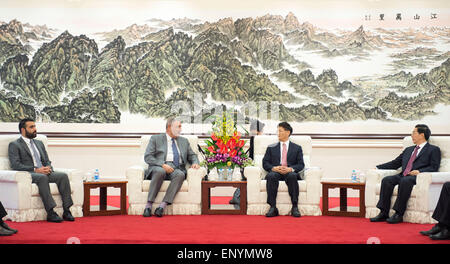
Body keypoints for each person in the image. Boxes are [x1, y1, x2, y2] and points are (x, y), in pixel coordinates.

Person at [370, 124, 441, 224]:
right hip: (403, 174)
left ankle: (399, 214)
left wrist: (419, 171)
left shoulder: (433, 149)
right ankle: (383, 212)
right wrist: (377, 167)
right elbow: (395, 163)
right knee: (387, 180)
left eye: (414, 132)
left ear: (422, 134)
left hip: (418, 177)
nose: (411, 135)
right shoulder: (408, 150)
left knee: (405, 181)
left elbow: (434, 167)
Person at [8, 118, 75, 223]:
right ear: (23, 130)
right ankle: (51, 212)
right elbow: (15, 165)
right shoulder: (15, 145)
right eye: (31, 127)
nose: (35, 129)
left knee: (63, 176)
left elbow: (46, 160)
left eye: (35, 126)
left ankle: (67, 210)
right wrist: (35, 170)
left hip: (43, 172)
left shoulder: (39, 143)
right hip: (29, 174)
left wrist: (48, 168)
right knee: (42, 177)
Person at [143, 117, 200, 217]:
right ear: (169, 127)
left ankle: (162, 206)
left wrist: (195, 162)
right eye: (178, 126)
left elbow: (192, 155)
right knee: (160, 171)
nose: (180, 129)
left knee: (180, 174)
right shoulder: (156, 139)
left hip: (176, 168)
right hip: (159, 167)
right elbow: (148, 157)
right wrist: (162, 164)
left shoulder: (184, 141)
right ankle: (148, 206)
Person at [263, 122, 304, 217]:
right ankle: (273, 207)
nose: (278, 133)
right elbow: (265, 163)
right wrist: (274, 168)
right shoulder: (271, 147)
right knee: (271, 175)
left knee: (293, 176)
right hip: (276, 172)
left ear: (288, 132)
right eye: (278, 131)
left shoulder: (297, 148)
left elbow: (301, 164)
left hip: (289, 172)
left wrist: (291, 169)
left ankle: (295, 207)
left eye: (280, 131)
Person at [229, 119, 265, 206]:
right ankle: (236, 197)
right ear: (257, 130)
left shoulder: (254, 137)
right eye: (262, 130)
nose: (263, 132)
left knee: (245, 180)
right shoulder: (257, 138)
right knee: (245, 180)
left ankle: (236, 197)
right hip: (253, 166)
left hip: (251, 165)